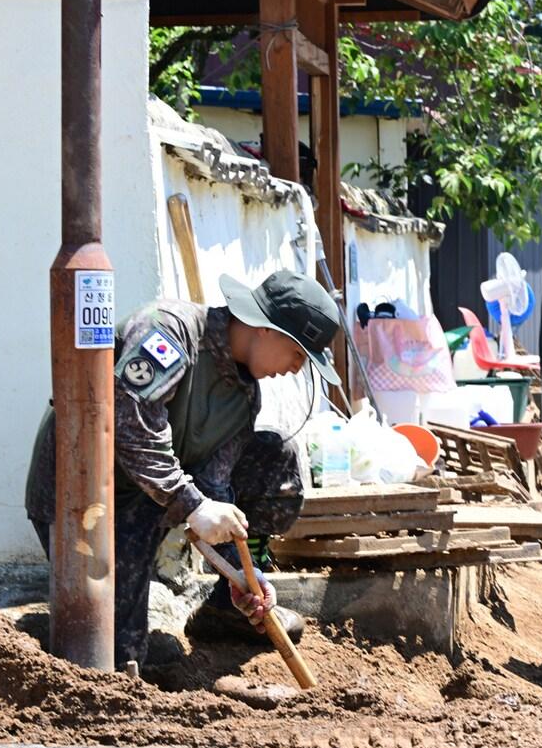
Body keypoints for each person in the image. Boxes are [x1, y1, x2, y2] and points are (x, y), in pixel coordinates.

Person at [25, 270, 341, 668]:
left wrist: (240, 575)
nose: (296, 368)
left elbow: (217, 487)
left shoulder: (244, 398)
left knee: (274, 457)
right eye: (299, 354)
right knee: (116, 659)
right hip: (85, 500)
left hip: (149, 497)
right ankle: (38, 635)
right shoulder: (169, 330)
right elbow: (127, 419)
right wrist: (190, 503)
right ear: (266, 329)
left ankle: (224, 611)